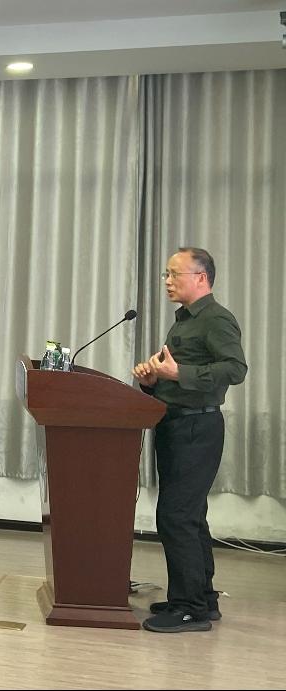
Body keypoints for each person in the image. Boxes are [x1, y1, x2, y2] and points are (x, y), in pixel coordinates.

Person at [132, 247, 247, 634]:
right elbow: (176, 376)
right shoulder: (184, 321)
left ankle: (189, 608)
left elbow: (235, 368)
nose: (167, 281)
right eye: (165, 274)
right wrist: (154, 380)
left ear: (201, 277)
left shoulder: (216, 319)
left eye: (174, 274)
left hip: (197, 428)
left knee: (176, 516)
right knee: (191, 517)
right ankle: (202, 598)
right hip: (177, 425)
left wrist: (179, 373)